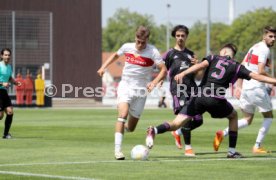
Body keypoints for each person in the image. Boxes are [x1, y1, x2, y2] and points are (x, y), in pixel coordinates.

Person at [146, 43, 276, 158]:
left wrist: (183, 73)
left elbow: (200, 66)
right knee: (233, 116)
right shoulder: (237, 66)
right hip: (215, 99)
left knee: (176, 123)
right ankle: (231, 152)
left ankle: (154, 130)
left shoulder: (213, 57)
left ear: (223, 52)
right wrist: (274, 81)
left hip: (198, 97)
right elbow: (256, 76)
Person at [97, 26, 167, 160]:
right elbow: (115, 56)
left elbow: (163, 70)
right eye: (138, 41)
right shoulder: (127, 47)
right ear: (135, 38)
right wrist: (103, 67)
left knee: (131, 127)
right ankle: (118, 150)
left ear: (147, 39)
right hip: (126, 86)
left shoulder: (153, 51)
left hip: (141, 91)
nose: (140, 45)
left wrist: (154, 82)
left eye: (143, 42)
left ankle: (123, 128)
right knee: (122, 115)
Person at [214, 26, 276, 154]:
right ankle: (257, 146)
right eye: (270, 36)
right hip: (256, 88)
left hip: (246, 89)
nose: (273, 39)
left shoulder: (254, 47)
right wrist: (273, 79)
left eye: (275, 37)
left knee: (247, 119)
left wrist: (239, 85)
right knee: (269, 117)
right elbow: (261, 71)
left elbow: (241, 66)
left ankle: (223, 133)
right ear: (264, 36)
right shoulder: (264, 50)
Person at [163, 25, 203, 156]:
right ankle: (188, 148)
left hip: (192, 89)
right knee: (186, 118)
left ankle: (177, 132)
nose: (180, 38)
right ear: (175, 37)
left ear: (186, 37)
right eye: (178, 35)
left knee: (198, 120)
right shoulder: (169, 53)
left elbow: (198, 75)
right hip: (178, 89)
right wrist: (158, 81)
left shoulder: (191, 54)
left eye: (183, 35)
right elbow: (162, 69)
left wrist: (197, 66)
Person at [0, 48, 21, 139]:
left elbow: (9, 78)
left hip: (4, 92)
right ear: (1, 56)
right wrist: (2, 83)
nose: (7, 57)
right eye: (5, 55)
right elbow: (4, 81)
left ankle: (6, 134)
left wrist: (15, 82)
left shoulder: (9, 67)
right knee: (0, 116)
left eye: (8, 55)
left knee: (10, 112)